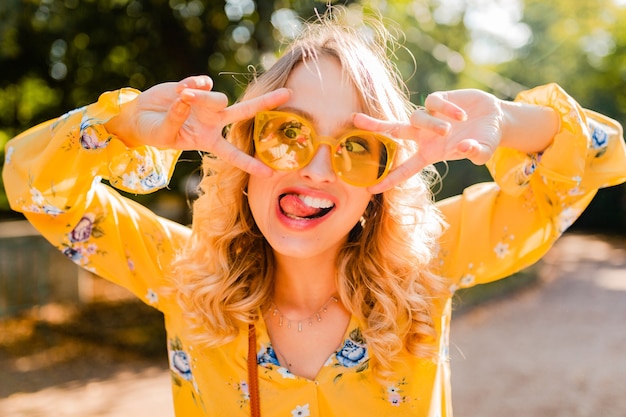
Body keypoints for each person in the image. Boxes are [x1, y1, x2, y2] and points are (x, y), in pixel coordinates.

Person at [3, 7, 626, 417]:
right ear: (243, 144)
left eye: (357, 146)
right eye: (287, 133)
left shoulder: (430, 260)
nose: (317, 170)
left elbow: (598, 157)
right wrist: (124, 124)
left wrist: (508, 118)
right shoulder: (182, 274)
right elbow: (34, 185)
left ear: (387, 172)